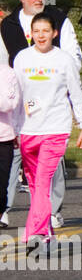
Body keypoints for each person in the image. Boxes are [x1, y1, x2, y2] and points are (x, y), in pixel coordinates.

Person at [2, 0, 82, 229]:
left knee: (51, 164)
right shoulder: (9, 25)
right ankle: (4, 208)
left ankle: (53, 210)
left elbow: (73, 56)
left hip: (51, 100)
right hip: (20, 100)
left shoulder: (58, 19)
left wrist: (60, 81)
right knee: (16, 157)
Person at [13, 12, 82, 245]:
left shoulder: (63, 60)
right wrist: (14, 129)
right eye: (36, 31)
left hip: (56, 128)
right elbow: (16, 96)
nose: (40, 36)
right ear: (31, 34)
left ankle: (34, 234)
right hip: (28, 129)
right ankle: (47, 235)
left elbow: (76, 93)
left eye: (45, 31)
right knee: (35, 184)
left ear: (54, 33)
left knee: (44, 181)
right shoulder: (22, 59)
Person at [0, 54, 19, 229]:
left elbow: (9, 104)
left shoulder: (8, 74)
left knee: (2, 182)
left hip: (4, 136)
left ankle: (1, 210)